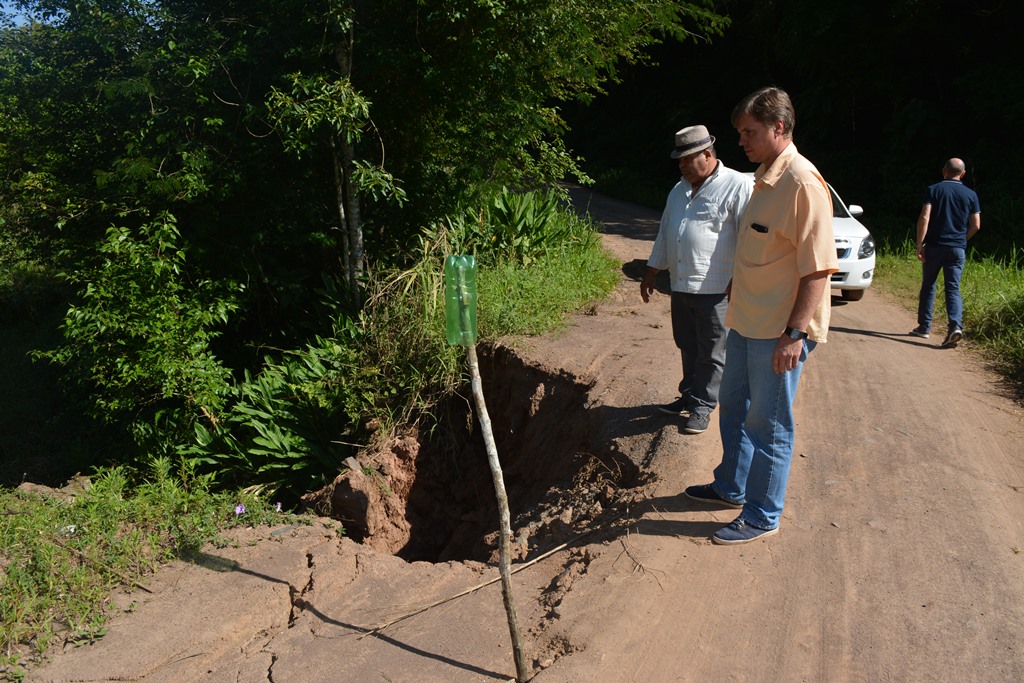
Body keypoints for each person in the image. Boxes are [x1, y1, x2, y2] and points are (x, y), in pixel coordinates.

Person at [684, 86, 838, 545]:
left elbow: (818, 270)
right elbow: (766, 249)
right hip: (748, 320)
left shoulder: (802, 184)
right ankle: (731, 485)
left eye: (749, 132)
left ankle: (761, 515)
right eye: (740, 132)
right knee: (732, 408)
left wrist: (795, 333)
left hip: (778, 330)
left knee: (768, 424)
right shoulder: (765, 177)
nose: (741, 141)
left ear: (779, 128)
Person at [640, 125, 752, 435]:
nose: (681, 166)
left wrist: (739, 279)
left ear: (707, 154)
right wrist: (652, 270)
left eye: (687, 159)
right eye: (679, 161)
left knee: (713, 351)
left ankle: (703, 406)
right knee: (687, 345)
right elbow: (666, 232)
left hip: (717, 288)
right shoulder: (678, 190)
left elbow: (748, 238)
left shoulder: (736, 186)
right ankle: (688, 395)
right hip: (681, 285)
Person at [909, 158, 981, 348]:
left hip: (934, 247)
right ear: (963, 173)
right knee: (953, 288)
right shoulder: (971, 194)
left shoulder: (933, 190)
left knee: (929, 286)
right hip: (957, 249)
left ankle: (924, 327)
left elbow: (925, 216)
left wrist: (919, 244)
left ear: (944, 171)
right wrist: (962, 240)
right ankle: (955, 326)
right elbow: (976, 225)